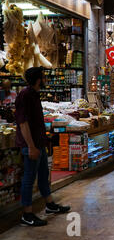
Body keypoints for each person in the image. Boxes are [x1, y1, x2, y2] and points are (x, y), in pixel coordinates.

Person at [15, 67, 70, 227]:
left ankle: (50, 204)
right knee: (29, 178)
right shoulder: (25, 95)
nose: (46, 80)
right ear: (39, 79)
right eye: (44, 77)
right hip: (31, 145)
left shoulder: (34, 94)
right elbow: (23, 123)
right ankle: (27, 213)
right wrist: (31, 147)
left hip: (39, 143)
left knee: (44, 174)